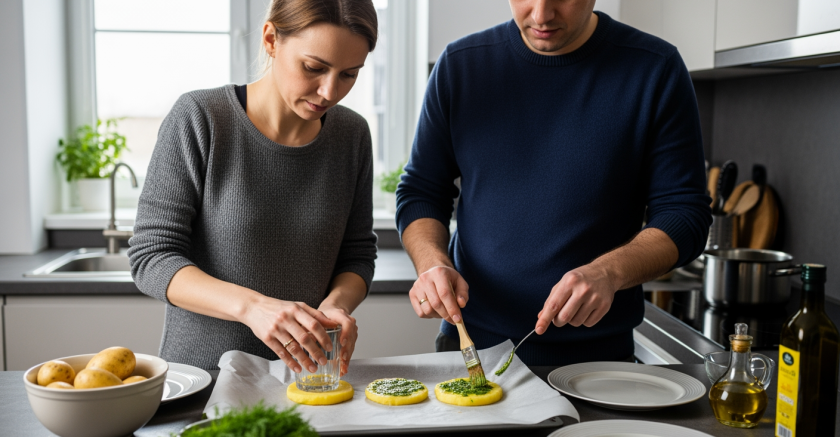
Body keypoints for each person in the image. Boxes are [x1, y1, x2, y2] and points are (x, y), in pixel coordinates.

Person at [396, 0, 712, 365]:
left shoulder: (655, 67)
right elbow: (421, 191)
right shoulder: (460, 65)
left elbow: (684, 214)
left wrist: (609, 272)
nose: (541, 15)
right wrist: (432, 263)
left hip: (598, 363)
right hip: (471, 347)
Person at [128, 0, 379, 373]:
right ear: (271, 39)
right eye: (314, 68)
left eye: (349, 74)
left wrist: (335, 306)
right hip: (202, 378)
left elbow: (357, 254)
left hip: (304, 379)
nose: (329, 91)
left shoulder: (352, 134)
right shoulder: (201, 118)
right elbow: (152, 257)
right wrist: (253, 308)